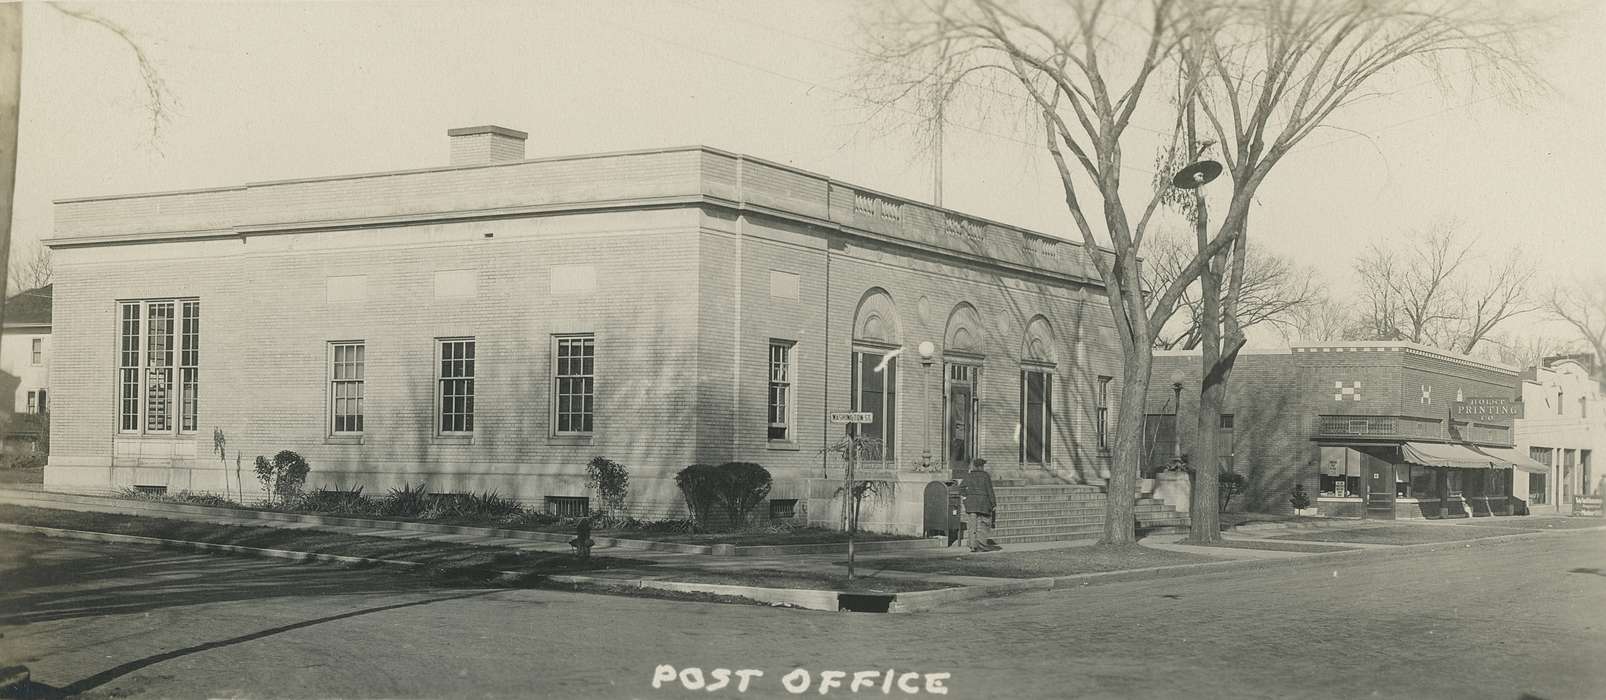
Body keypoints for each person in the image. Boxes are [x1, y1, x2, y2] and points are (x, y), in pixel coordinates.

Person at [960, 458, 1000, 552]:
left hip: (971, 503)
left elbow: (961, 487)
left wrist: (966, 497)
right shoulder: (985, 476)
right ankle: (981, 545)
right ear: (981, 466)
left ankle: (972, 545)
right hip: (983, 503)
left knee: (972, 525)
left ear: (974, 466)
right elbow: (990, 490)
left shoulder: (969, 475)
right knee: (984, 524)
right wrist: (993, 503)